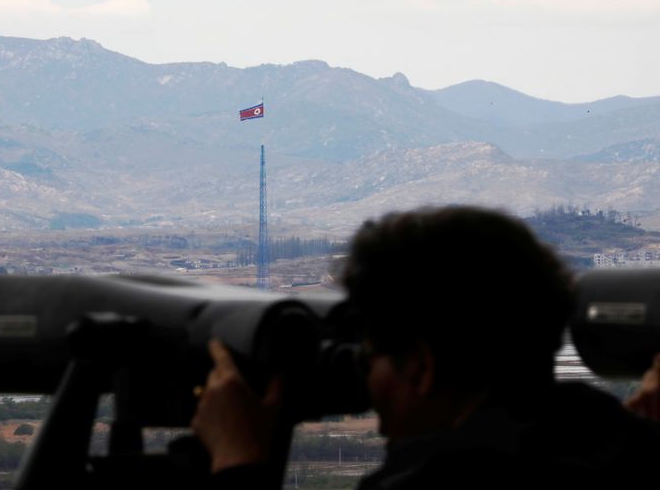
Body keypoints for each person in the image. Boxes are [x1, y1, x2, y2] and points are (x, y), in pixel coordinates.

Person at [191, 206, 660, 489]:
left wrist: (238, 464)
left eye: (371, 353)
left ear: (420, 367)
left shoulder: (434, 484)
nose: (364, 375)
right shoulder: (620, 445)